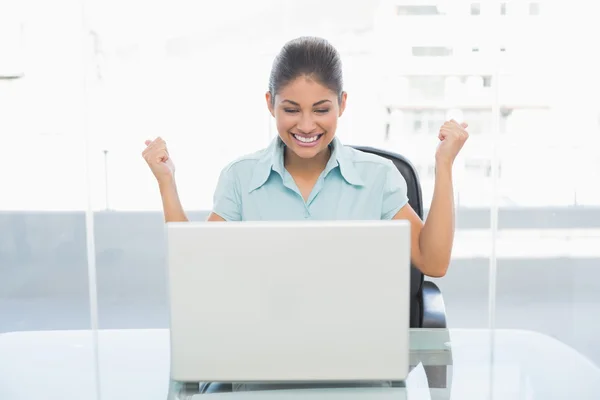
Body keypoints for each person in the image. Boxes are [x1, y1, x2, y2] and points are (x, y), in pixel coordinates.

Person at [142, 36, 468, 279]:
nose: (307, 125)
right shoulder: (240, 177)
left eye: (322, 110)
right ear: (271, 104)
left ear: (342, 104)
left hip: (354, 358)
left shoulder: (378, 177)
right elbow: (196, 266)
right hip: (261, 355)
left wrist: (444, 165)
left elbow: (433, 262)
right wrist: (166, 183)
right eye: (291, 110)